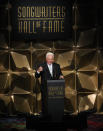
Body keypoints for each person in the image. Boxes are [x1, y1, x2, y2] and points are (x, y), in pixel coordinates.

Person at [35, 52, 64, 116]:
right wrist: (38, 71)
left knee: (54, 103)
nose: (50, 61)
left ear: (53, 59)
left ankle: (55, 116)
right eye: (49, 59)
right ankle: (45, 116)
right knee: (45, 104)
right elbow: (36, 76)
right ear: (46, 59)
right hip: (45, 88)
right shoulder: (42, 65)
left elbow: (60, 74)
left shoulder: (57, 65)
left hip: (55, 88)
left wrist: (61, 76)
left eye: (52, 59)